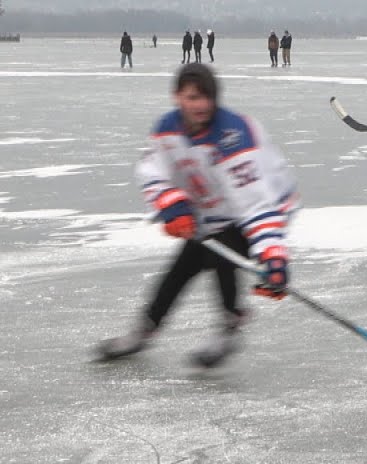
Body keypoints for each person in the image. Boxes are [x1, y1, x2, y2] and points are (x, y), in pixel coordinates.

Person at [94, 64, 300, 368]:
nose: (200, 105)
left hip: (265, 206)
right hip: (213, 211)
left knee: (221, 252)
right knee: (181, 268)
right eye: (192, 97)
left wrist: (273, 256)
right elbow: (151, 173)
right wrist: (173, 205)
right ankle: (144, 330)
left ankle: (230, 325)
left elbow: (257, 206)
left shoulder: (233, 137)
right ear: (177, 97)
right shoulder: (167, 130)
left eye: (206, 98)